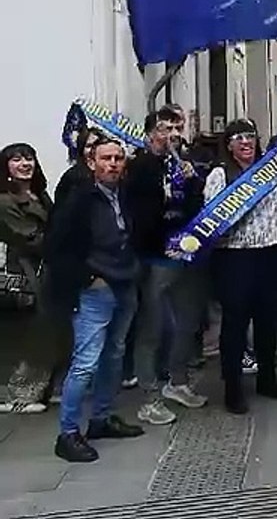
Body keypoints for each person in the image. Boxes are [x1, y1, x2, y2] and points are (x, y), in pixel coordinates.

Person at [46, 138, 145, 463]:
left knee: (114, 354)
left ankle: (101, 419)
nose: (113, 164)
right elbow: (57, 246)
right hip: (95, 288)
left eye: (118, 158)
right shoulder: (79, 199)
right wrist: (89, 278)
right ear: (92, 163)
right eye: (106, 158)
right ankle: (68, 433)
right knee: (86, 361)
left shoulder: (124, 194)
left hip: (124, 282)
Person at [123, 107, 209, 426]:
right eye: (163, 129)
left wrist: (192, 184)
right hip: (155, 258)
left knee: (187, 323)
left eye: (175, 128)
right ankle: (149, 397)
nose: (171, 134)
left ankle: (178, 382)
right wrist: (160, 244)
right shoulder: (140, 166)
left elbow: (192, 209)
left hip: (184, 256)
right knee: (153, 329)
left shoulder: (181, 165)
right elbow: (140, 215)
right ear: (149, 134)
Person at [204, 120, 277, 413]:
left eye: (251, 137)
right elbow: (213, 218)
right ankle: (233, 388)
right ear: (228, 144)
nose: (246, 143)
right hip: (236, 258)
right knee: (236, 324)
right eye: (239, 138)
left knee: (268, 321)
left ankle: (268, 378)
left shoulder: (271, 170)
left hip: (271, 254)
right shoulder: (220, 174)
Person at [0, 143, 61, 414]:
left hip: (44, 271)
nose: (25, 164)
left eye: (29, 158)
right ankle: (15, 396)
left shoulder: (39, 195)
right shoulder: (4, 201)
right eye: (17, 160)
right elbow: (28, 238)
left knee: (41, 332)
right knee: (24, 335)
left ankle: (37, 390)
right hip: (22, 272)